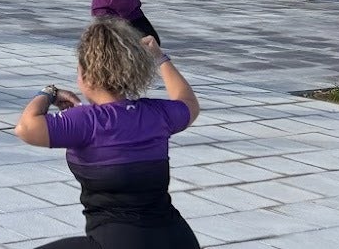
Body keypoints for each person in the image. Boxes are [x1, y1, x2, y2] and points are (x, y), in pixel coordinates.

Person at [13, 18, 201, 249]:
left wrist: (48, 92)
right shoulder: (157, 114)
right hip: (179, 240)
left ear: (85, 73)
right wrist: (160, 58)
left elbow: (25, 128)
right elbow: (188, 102)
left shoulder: (84, 121)